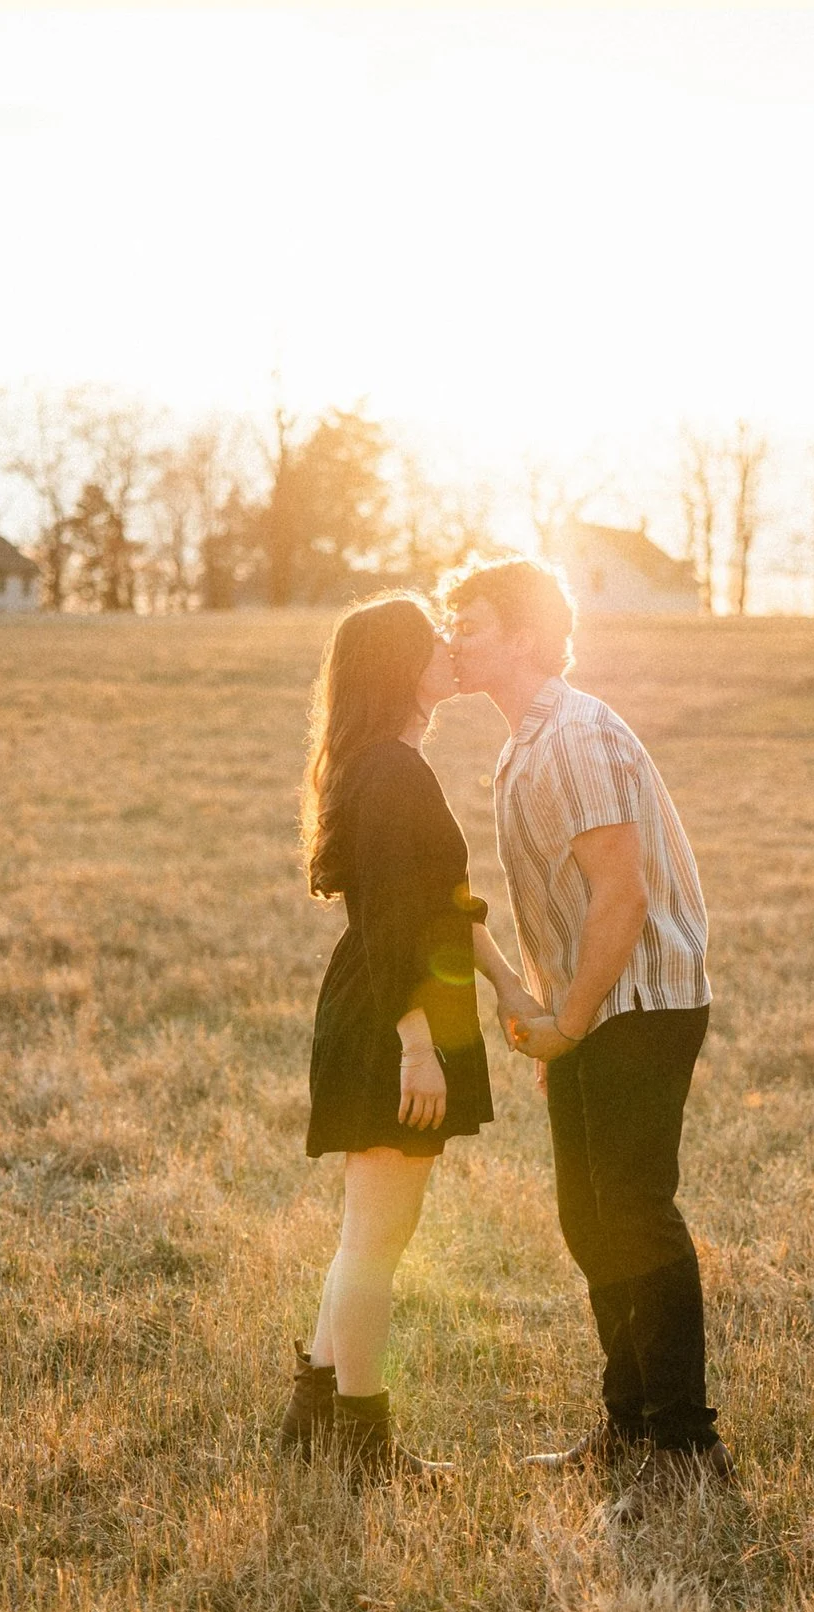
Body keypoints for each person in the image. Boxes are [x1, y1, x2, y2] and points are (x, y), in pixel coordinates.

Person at [440, 557, 733, 1524]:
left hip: (640, 1000)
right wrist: (561, 1019)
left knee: (635, 1211)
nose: (453, 637)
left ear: (521, 635)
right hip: (594, 1006)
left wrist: (569, 1016)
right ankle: (631, 1422)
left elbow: (622, 892)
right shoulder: (529, 737)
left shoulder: (568, 734)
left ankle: (688, 1446)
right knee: (586, 1215)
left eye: (470, 621)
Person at [282, 592, 542, 1483]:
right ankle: (363, 1447)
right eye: (431, 639)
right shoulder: (391, 772)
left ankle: (312, 1420)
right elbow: (395, 922)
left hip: (394, 1012)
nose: (447, 648)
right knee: (375, 1243)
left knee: (370, 1237)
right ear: (399, 667)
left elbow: (443, 906)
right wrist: (417, 1043)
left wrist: (508, 984)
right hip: (390, 1021)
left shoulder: (388, 764)